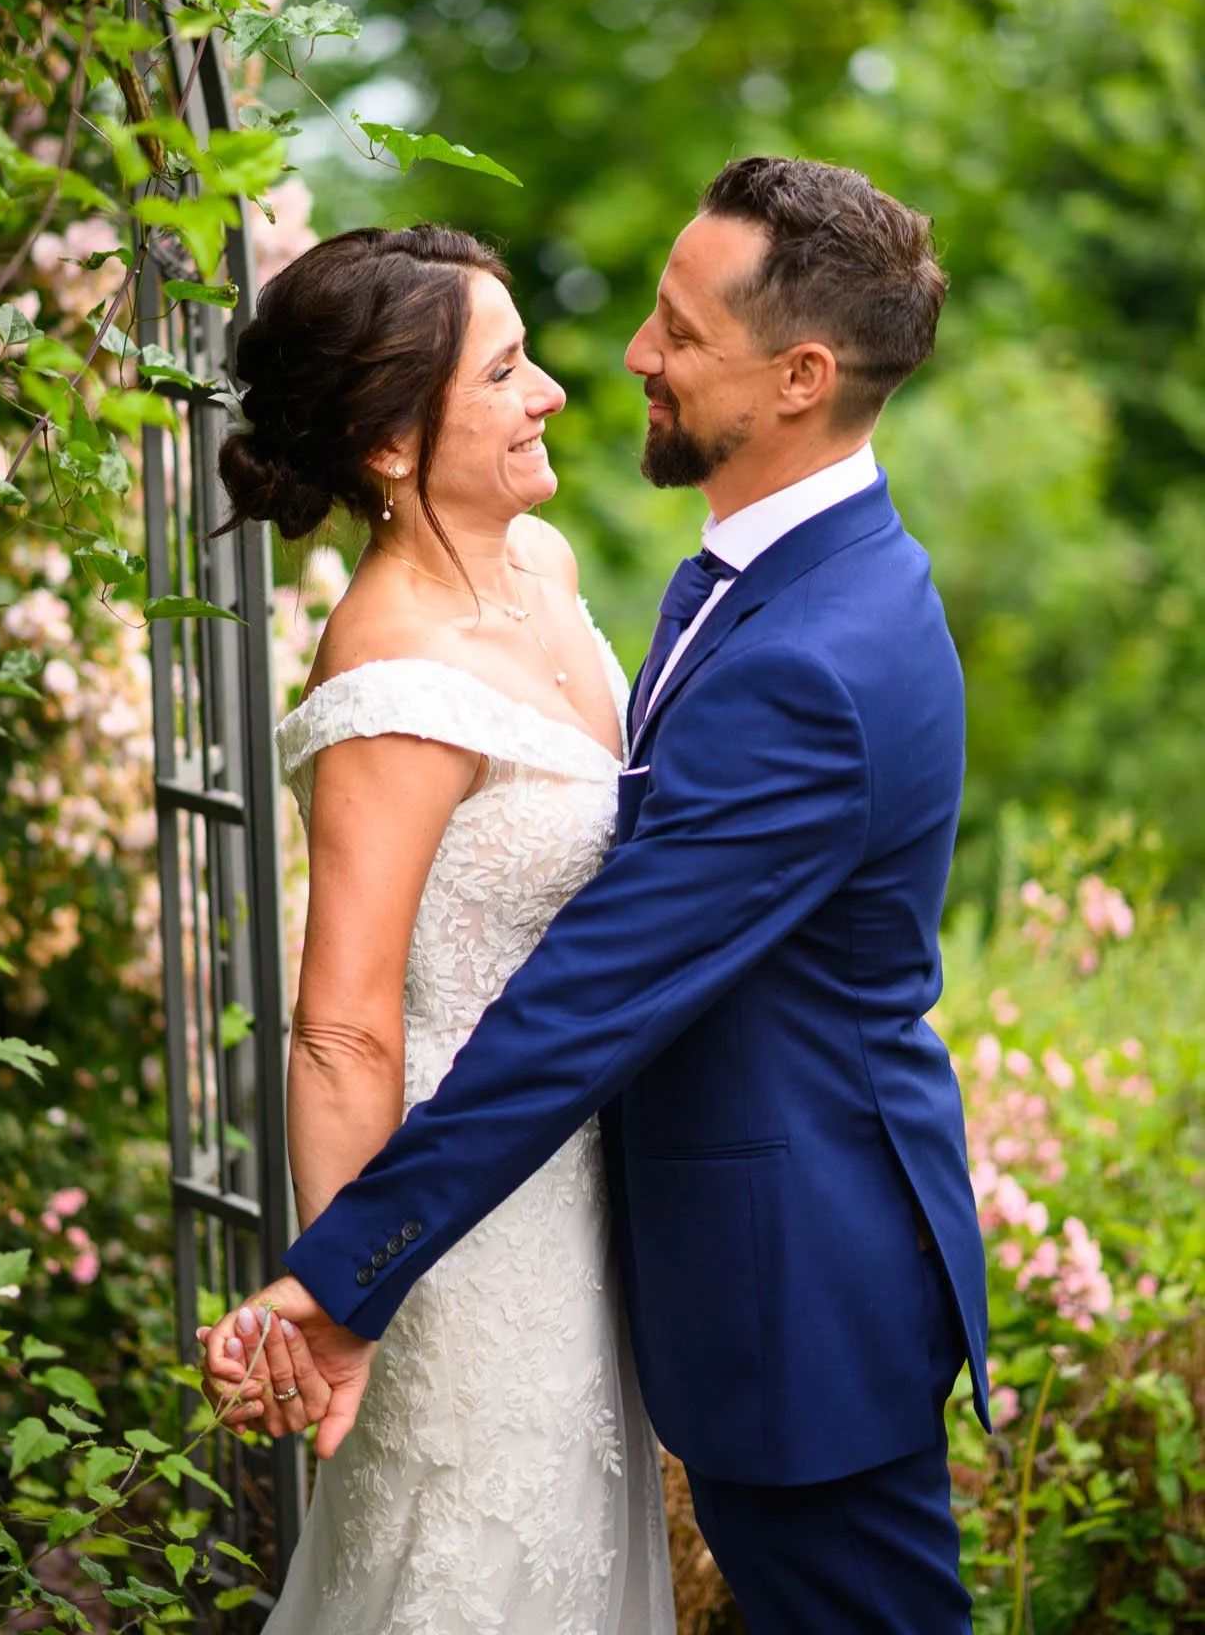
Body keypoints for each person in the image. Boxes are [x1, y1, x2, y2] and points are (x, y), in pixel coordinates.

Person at [207, 157, 992, 1634]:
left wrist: (341, 1276)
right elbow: (351, 1022)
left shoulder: (807, 655)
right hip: (559, 1227)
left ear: (801, 374)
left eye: (679, 334)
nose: (623, 359)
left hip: (791, 1273)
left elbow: (591, 992)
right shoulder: (754, 580)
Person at [206, 222, 675, 1635]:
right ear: (394, 445)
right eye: (509, 371)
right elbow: (343, 1027)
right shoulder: (391, 679)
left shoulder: (543, 564)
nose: (553, 397)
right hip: (462, 1245)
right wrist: (351, 1291)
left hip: (590, 1197)